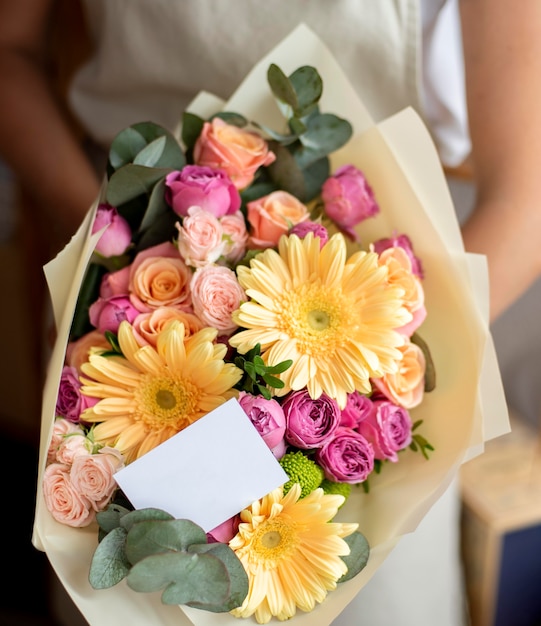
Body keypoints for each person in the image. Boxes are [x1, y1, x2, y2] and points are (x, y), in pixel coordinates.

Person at [1, 1, 541, 625]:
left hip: (371, 349)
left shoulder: (366, 382)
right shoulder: (114, 279)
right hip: (120, 315)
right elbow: (8, 53)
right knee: (136, 584)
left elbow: (526, 199)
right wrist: (104, 247)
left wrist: (362, 382)